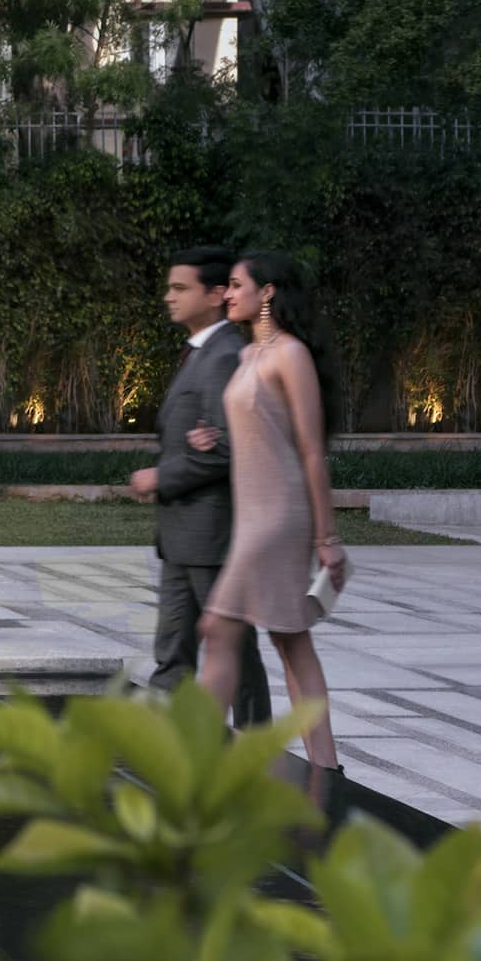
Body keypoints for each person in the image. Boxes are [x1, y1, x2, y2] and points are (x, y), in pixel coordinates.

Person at [193, 249, 347, 770]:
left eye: (237, 285)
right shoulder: (247, 357)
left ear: (268, 292)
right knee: (289, 641)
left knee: (220, 626)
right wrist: (212, 439)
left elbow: (308, 449)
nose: (228, 294)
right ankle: (327, 768)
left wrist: (327, 539)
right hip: (252, 517)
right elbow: (262, 436)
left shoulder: (290, 355)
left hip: (280, 518)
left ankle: (193, 762)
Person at [130, 247, 271, 727]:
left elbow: (231, 447)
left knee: (234, 651)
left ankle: (256, 747)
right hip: (180, 535)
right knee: (172, 652)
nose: (169, 297)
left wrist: (160, 476)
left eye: (180, 288)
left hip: (211, 534)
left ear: (214, 295)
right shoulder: (200, 353)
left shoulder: (224, 356)